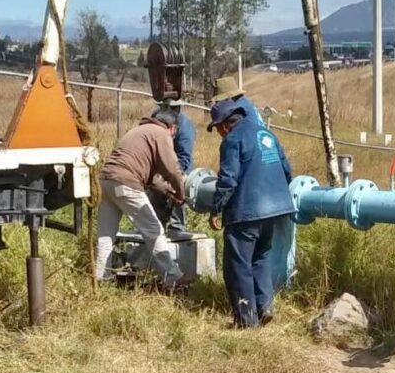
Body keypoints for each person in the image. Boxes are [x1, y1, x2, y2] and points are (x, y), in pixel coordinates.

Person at [207, 99, 295, 328]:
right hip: (276, 209)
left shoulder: (233, 139)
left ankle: (246, 321)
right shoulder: (266, 134)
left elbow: (228, 179)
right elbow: (286, 170)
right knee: (260, 257)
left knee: (238, 265)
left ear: (225, 125)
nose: (218, 133)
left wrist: (216, 208)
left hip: (247, 211)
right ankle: (264, 307)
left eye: (217, 128)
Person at [96, 109, 186, 287]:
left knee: (106, 235)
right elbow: (172, 169)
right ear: (172, 128)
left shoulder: (139, 130)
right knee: (154, 230)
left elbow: (151, 178)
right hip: (126, 182)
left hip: (105, 181)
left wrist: (170, 192)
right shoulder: (161, 134)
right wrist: (181, 193)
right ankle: (173, 278)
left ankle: (101, 278)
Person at [147, 99, 196, 237]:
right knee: (155, 200)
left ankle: (176, 229)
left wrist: (171, 177)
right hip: (159, 169)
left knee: (177, 199)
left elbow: (184, 158)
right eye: (164, 107)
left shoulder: (185, 126)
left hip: (177, 169)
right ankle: (156, 231)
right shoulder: (156, 118)